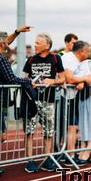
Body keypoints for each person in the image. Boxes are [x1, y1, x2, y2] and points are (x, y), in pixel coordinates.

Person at [0, 27, 33, 173]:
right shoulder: (0, 58)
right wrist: (28, 81)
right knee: (0, 136)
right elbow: (12, 79)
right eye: (6, 42)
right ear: (2, 44)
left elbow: (5, 40)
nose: (8, 44)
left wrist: (17, 32)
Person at [22, 33, 65, 173]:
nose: (35, 45)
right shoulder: (30, 60)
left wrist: (52, 81)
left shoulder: (55, 58)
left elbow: (62, 79)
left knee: (48, 131)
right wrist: (29, 83)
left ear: (47, 46)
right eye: (35, 42)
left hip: (48, 100)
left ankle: (48, 159)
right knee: (30, 131)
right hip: (32, 101)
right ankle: (30, 160)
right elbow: (24, 78)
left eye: (38, 43)